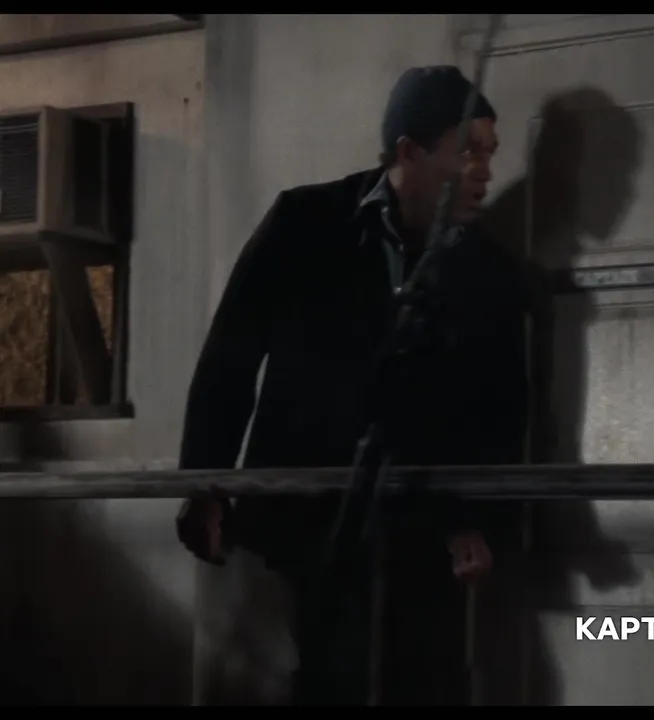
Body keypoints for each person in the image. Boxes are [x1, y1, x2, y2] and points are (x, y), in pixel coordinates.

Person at [175, 65, 528, 705]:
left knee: (427, 683)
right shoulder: (304, 222)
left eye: (489, 153)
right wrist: (204, 485)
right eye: (467, 152)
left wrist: (475, 518)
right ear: (408, 152)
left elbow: (500, 409)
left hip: (423, 529)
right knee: (329, 677)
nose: (484, 172)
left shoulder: (488, 271)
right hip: (314, 518)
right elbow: (230, 356)